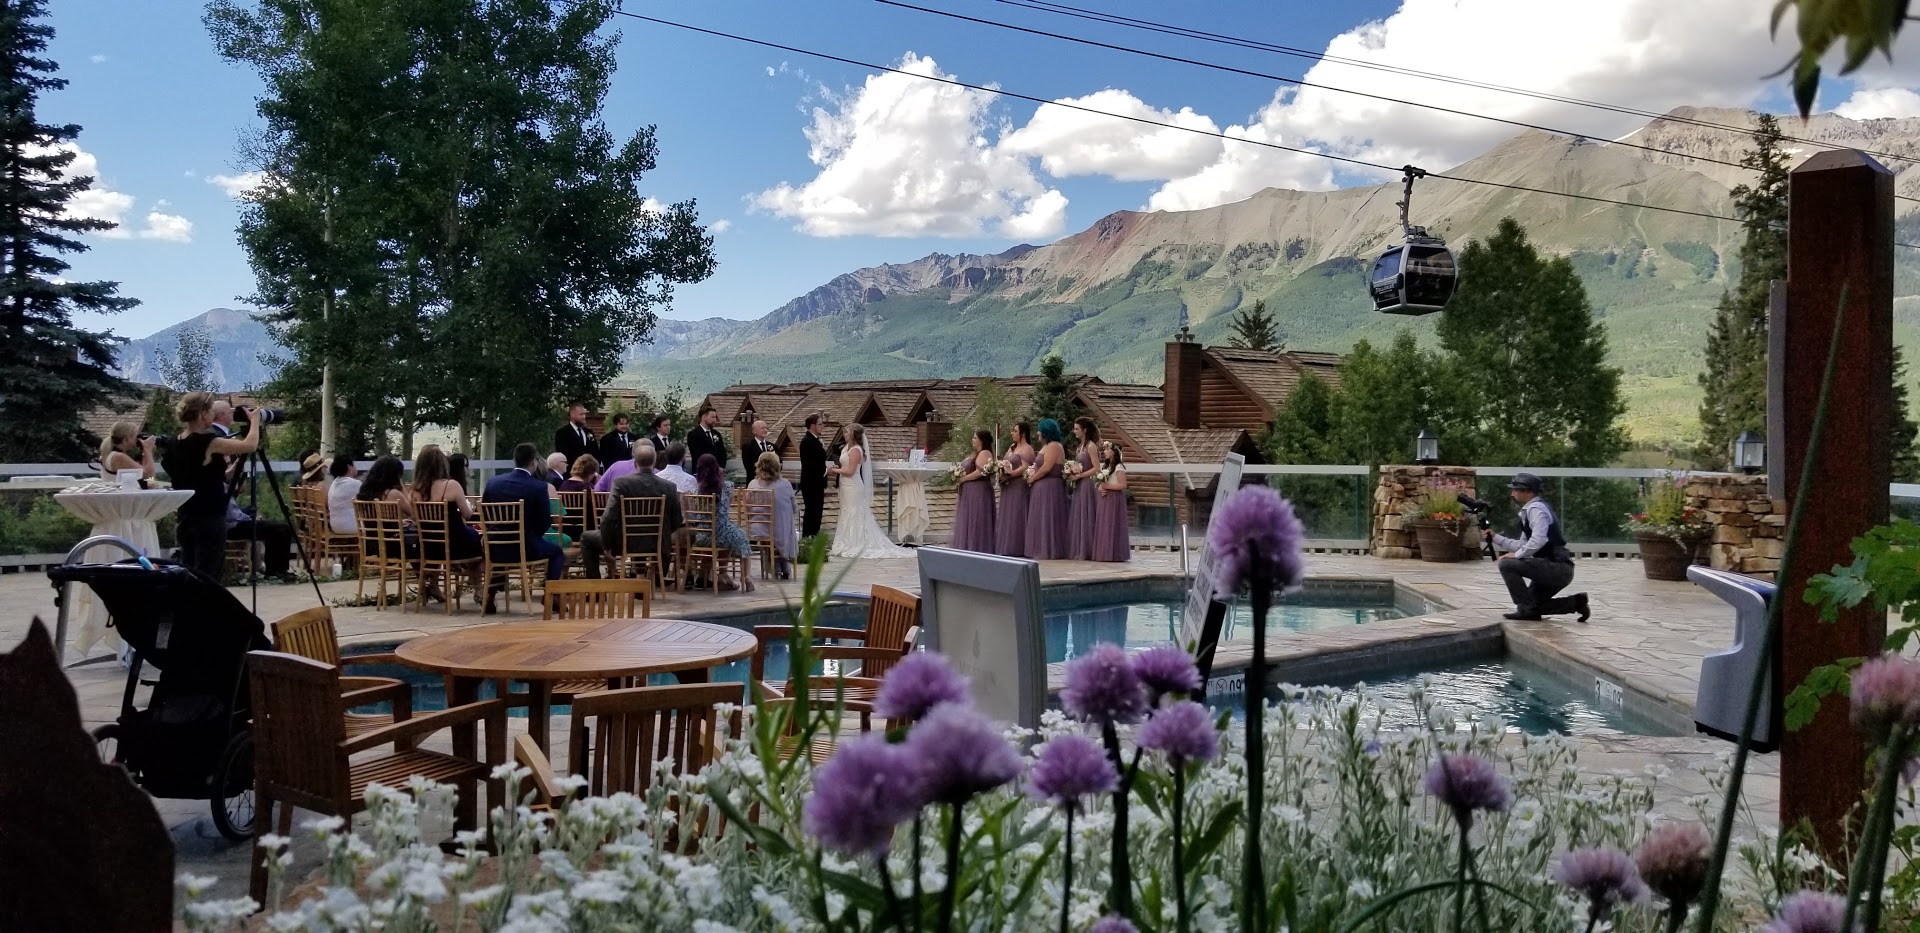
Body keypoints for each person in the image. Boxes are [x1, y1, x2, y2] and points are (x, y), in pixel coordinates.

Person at [161, 393, 262, 580]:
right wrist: (255, 421)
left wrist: (230, 471)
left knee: (189, 572)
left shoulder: (174, 443)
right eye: (210, 412)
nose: (213, 417)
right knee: (209, 575)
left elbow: (198, 475)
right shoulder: (207, 442)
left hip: (185, 517)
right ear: (202, 414)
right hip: (209, 517)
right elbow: (250, 445)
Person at [1483, 472, 1590, 622]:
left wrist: (1517, 555)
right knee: (1532, 606)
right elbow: (1522, 544)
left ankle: (1526, 610)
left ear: (1526, 491)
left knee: (1506, 564)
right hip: (1555, 568)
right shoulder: (1531, 510)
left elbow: (1539, 539)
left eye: (1515, 489)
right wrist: (1496, 538)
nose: (1512, 493)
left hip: (1557, 567)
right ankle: (1576, 603)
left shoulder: (1536, 509)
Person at [483, 442, 568, 610]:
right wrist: (532, 536)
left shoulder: (493, 483)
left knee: (503, 550)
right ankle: (552, 596)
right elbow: (545, 522)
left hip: (495, 547)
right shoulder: (538, 487)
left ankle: (490, 595)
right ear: (534, 462)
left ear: (515, 460)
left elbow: (485, 515)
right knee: (557, 552)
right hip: (528, 547)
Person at [582, 445, 683, 579]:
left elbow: (608, 518)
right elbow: (677, 520)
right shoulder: (669, 486)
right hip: (655, 543)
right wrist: (658, 535)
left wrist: (607, 546)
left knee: (586, 538)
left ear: (635, 463)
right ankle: (643, 579)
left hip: (623, 541)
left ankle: (596, 588)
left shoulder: (621, 483)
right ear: (654, 462)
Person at [827, 424, 913, 559]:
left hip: (853, 486)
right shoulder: (845, 447)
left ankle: (856, 542)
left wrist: (834, 471)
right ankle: (846, 541)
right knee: (846, 511)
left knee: (855, 512)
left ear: (854, 435)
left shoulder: (856, 450)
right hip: (845, 486)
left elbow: (850, 471)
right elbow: (844, 465)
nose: (845, 435)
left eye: (848, 433)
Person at [694, 453, 753, 590]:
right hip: (721, 530)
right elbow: (726, 508)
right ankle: (746, 577)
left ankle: (715, 574)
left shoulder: (696, 488)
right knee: (741, 537)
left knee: (724, 539)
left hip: (701, 534)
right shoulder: (726, 486)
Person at [1024, 419, 1071, 560]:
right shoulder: (1046, 446)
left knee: (1048, 516)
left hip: (1050, 487)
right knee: (1040, 517)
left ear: (1046, 431)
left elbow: (1047, 467)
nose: (1037, 433)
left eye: (1039, 430)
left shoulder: (1055, 446)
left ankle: (1049, 549)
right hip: (1041, 487)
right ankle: (1039, 547)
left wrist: (1033, 478)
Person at [748, 451, 798, 578]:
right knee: (785, 521)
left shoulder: (753, 484)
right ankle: (784, 561)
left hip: (758, 528)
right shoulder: (785, 484)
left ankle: (774, 564)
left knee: (764, 528)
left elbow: (748, 507)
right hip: (780, 529)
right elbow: (794, 508)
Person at [950, 429, 997, 553]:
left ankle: (977, 545)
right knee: (968, 517)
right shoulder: (975, 453)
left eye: (975, 438)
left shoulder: (985, 453)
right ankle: (967, 545)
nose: (972, 440)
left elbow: (980, 472)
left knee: (976, 517)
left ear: (982, 440)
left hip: (978, 490)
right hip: (969, 491)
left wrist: (963, 479)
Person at [354, 455, 408, 558]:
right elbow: (414, 513)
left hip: (372, 544)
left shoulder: (365, 494)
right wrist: (402, 486)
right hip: (394, 546)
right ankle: (425, 573)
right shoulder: (393, 494)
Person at [996, 422, 1034, 558]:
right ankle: (1006, 545)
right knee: (1007, 513)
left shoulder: (1027, 449)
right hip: (1008, 485)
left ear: (1022, 434)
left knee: (1017, 512)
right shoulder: (1012, 448)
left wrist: (1011, 473)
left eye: (1014, 431)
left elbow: (1025, 466)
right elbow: (1005, 461)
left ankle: (1018, 546)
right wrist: (1002, 471)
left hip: (1018, 485)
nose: (1012, 433)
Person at [1066, 417, 1101, 560]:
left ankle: (1089, 549)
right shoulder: (1080, 446)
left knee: (1087, 515)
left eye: (1076, 429)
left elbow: (1096, 467)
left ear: (1084, 430)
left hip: (1087, 484)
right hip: (1079, 484)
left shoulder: (1091, 446)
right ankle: (1080, 548)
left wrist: (1080, 475)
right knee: (1079, 515)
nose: (1074, 431)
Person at [1092, 441, 1131, 563]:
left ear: (1113, 451)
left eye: (1106, 449)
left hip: (1115, 499)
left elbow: (1123, 485)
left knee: (1112, 523)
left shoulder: (1119, 467)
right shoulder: (1106, 467)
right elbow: (1100, 483)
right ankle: (1104, 552)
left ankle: (1114, 553)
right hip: (1105, 498)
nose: (1104, 452)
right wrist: (1100, 488)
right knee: (1104, 524)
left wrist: (1107, 487)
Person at [798, 413, 829, 539]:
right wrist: (827, 471)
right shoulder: (807, 442)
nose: (822, 427)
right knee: (812, 511)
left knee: (817, 512)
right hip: (811, 483)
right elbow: (809, 465)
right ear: (812, 426)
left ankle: (813, 536)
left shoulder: (815, 440)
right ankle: (807, 538)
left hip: (817, 483)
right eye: (820, 424)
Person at [326, 455, 361, 534]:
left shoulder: (335, 482)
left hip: (335, 525)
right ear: (349, 467)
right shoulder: (354, 483)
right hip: (351, 525)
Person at [553, 403, 594, 470]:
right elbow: (563, 454)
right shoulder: (562, 433)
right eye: (581, 414)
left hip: (589, 473)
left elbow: (595, 452)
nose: (584, 417)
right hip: (571, 472)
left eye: (584, 414)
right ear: (572, 415)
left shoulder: (589, 432)